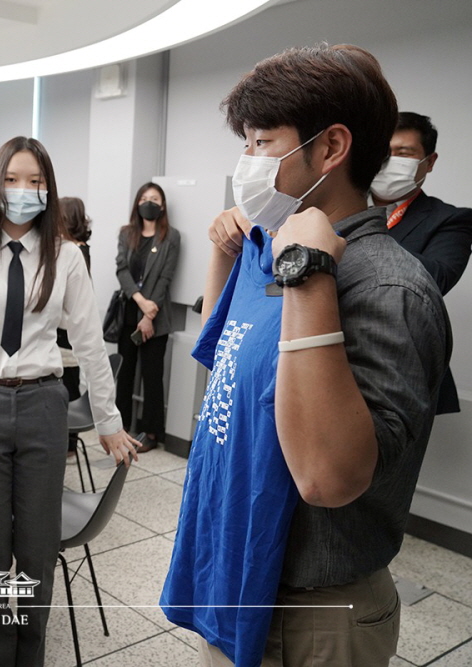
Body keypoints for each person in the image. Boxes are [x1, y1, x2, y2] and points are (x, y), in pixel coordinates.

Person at [160, 45, 450, 666]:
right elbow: (227, 370)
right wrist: (228, 253)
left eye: (263, 142)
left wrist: (310, 277)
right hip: (235, 574)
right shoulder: (272, 247)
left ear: (330, 148)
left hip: (311, 611)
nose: (247, 162)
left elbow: (327, 476)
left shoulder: (383, 287)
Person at [0, 136, 139, 666]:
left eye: (37, 182)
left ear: (49, 190)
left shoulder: (64, 256)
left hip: (45, 405)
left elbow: (91, 343)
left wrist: (108, 421)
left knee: (38, 550)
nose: (24, 191)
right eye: (14, 179)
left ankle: (31, 658)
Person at [370, 111, 472, 414]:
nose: (389, 161)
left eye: (404, 153)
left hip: (401, 373)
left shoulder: (451, 220)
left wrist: (362, 231)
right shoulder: (334, 206)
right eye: (383, 152)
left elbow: (435, 278)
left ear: (429, 161)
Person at [113, 183, 181, 450]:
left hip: (156, 317)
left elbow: (166, 277)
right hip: (130, 311)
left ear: (162, 206)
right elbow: (121, 269)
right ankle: (120, 428)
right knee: (125, 375)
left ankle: (151, 434)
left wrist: (149, 315)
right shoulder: (126, 234)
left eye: (154, 199)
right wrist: (141, 303)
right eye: (144, 198)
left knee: (153, 377)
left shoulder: (171, 236)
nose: (149, 202)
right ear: (137, 203)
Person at [57, 196, 92, 403]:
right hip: (67, 333)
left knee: (67, 391)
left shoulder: (74, 251)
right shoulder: (80, 249)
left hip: (66, 334)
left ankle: (68, 435)